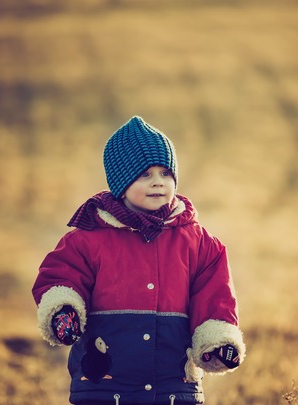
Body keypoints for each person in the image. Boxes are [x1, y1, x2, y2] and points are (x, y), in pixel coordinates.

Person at [32, 116, 246, 405]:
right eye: (144, 174)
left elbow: (215, 294)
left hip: (173, 387)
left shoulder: (197, 242)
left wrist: (216, 339)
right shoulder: (88, 239)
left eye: (165, 173)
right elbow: (61, 276)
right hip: (105, 386)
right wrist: (63, 310)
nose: (158, 182)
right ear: (121, 182)